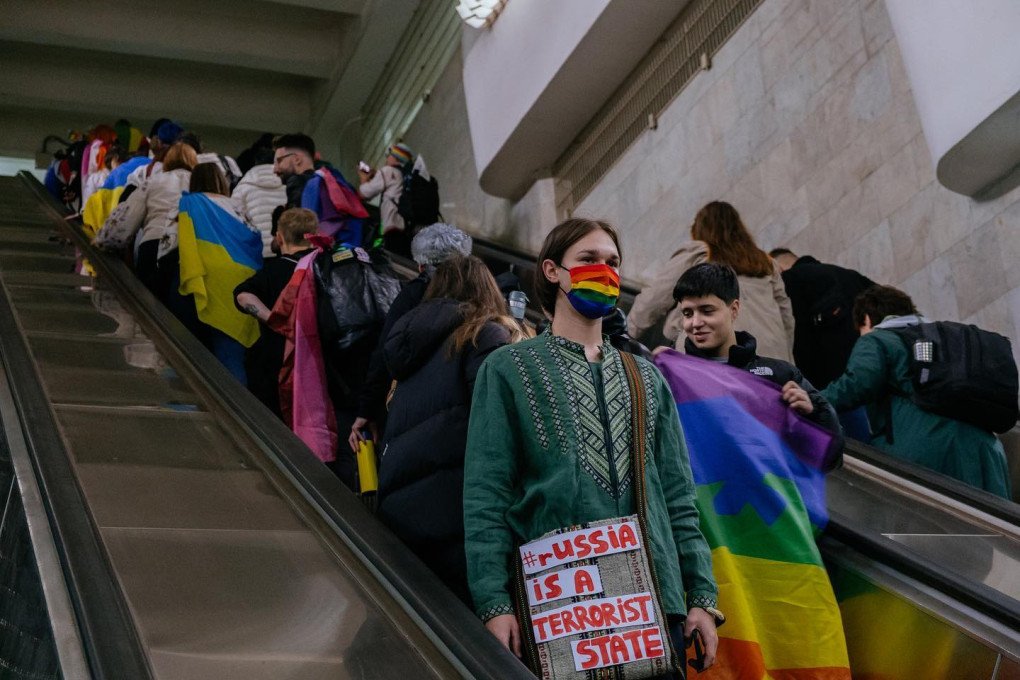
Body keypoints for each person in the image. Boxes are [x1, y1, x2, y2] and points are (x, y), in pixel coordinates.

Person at [464, 218, 720, 673]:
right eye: (588, 259)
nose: (604, 270)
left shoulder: (647, 378)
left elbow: (679, 498)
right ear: (552, 271)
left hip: (653, 606)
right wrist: (494, 602)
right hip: (559, 607)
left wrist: (700, 595)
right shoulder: (507, 369)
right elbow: (486, 495)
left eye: (613, 262)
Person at [377, 255, 524, 603]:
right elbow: (499, 423)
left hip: (401, 507)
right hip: (454, 509)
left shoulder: (412, 344)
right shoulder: (484, 336)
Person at [821, 286, 1011, 498]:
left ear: (866, 318)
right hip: (987, 449)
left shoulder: (878, 339)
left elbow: (858, 382)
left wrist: (815, 401)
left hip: (929, 449)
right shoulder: (943, 338)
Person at [673, 263, 842, 440]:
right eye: (687, 314)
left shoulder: (780, 375)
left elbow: (832, 447)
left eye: (707, 311)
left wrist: (812, 415)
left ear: (734, 310)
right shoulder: (675, 380)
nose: (695, 323)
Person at [348, 222, 473, 452]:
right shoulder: (478, 294)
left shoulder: (414, 295)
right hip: (465, 409)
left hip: (416, 404)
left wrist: (366, 410)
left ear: (421, 264)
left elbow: (385, 352)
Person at [628, 201, 795, 363]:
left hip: (714, 360)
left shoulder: (698, 253)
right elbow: (787, 318)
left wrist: (624, 334)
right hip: (772, 359)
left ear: (700, 230)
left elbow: (653, 299)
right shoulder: (766, 262)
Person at [167, 163, 262, 383]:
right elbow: (255, 239)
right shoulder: (238, 208)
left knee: (188, 347)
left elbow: (169, 243)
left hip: (201, 280)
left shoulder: (187, 203)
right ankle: (236, 398)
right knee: (231, 350)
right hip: (241, 281)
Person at [234, 208, 316, 417]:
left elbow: (243, 296)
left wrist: (274, 319)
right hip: (317, 365)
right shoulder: (322, 266)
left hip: (276, 365)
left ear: (279, 238)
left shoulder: (275, 269)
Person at [95, 142, 197, 290]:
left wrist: (104, 239)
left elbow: (127, 218)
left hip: (153, 247)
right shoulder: (200, 186)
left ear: (167, 161)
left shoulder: (153, 181)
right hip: (189, 254)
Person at [769, 248, 876, 389]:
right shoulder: (849, 274)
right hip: (876, 367)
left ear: (778, 268)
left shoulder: (790, 282)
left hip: (840, 383)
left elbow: (799, 340)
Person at [233, 146, 287, 257]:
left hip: (256, 250)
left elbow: (234, 219)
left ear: (255, 162)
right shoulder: (286, 183)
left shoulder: (243, 186)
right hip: (282, 247)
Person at [358, 143, 410, 251]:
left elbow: (364, 194)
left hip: (393, 227)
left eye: (389, 155)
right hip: (407, 226)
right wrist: (376, 175)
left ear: (395, 157)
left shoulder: (387, 171)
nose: (387, 158)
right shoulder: (404, 174)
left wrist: (363, 178)